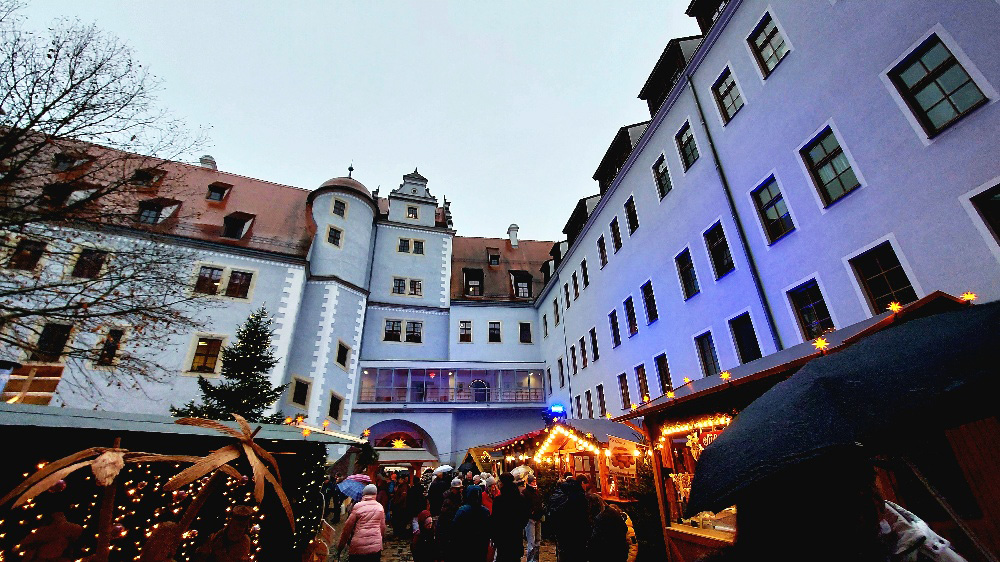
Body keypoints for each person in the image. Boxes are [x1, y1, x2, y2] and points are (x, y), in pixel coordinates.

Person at [548, 472, 590, 562]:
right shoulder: (578, 495)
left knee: (563, 552)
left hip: (561, 529)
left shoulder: (562, 491)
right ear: (582, 483)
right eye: (586, 484)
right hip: (575, 530)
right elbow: (581, 515)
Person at [338, 484, 386, 562]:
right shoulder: (380, 507)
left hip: (358, 546)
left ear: (364, 493)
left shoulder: (358, 506)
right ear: (375, 494)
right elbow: (382, 528)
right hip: (375, 547)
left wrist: (341, 545)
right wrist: (379, 540)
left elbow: (348, 528)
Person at [490, 472, 530, 562]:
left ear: (502, 483)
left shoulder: (499, 500)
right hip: (516, 535)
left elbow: (495, 520)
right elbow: (525, 516)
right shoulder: (520, 498)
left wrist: (494, 536)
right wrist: (519, 526)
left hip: (503, 537)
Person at [452, 485, 491, 562]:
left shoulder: (463, 511)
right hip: (481, 546)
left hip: (465, 546)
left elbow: (454, 528)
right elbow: (489, 529)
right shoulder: (485, 511)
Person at [588, 496, 628, 562]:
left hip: (608, 554)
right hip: (619, 552)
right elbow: (624, 528)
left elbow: (595, 541)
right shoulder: (613, 513)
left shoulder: (601, 517)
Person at [436, 478, 464, 561]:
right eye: (458, 489)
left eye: (461, 488)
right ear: (452, 489)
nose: (460, 490)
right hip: (447, 527)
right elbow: (445, 515)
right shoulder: (448, 499)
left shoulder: (457, 496)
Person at [522, 474, 545, 562]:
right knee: (531, 541)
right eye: (533, 481)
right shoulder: (526, 493)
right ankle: (531, 560)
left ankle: (535, 559)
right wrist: (531, 511)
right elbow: (525, 506)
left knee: (537, 540)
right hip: (531, 519)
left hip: (537, 517)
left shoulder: (536, 491)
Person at [390, 473, 410, 537]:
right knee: (398, 521)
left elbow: (402, 497)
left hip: (400, 507)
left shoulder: (403, 487)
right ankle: (398, 533)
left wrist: (396, 503)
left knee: (399, 521)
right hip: (399, 506)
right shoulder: (400, 486)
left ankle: (399, 533)